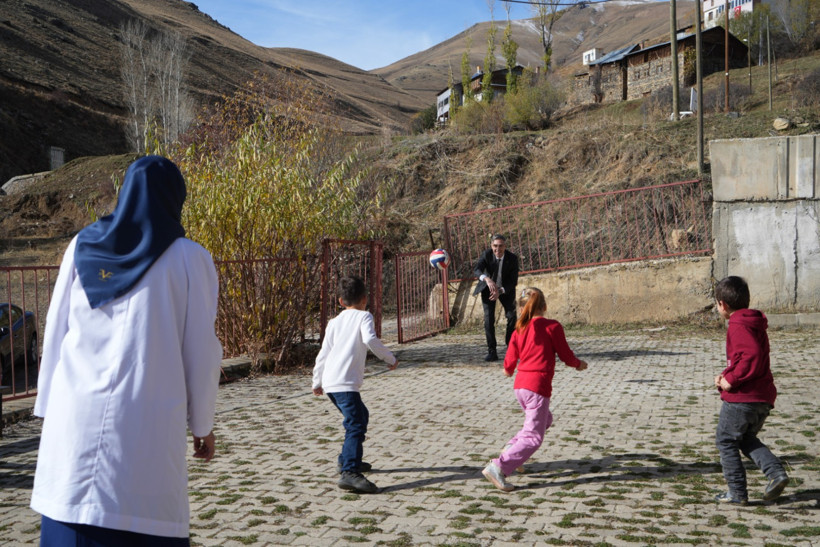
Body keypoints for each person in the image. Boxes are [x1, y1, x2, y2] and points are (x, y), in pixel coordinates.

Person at [30, 155, 223, 545]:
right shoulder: (189, 259)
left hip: (73, 423)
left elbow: (56, 328)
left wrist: (47, 406)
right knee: (142, 519)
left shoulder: (82, 246)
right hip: (144, 428)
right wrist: (202, 426)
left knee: (71, 519)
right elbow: (201, 352)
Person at [482, 287, 588, 492]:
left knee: (545, 419)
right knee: (534, 437)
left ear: (522, 309)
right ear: (545, 307)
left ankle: (513, 450)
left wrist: (508, 369)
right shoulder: (552, 327)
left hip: (521, 387)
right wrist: (578, 364)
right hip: (537, 388)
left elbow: (509, 360)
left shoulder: (519, 329)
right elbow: (566, 355)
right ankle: (499, 466)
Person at [312, 275, 398, 494]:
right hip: (345, 384)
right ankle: (349, 471)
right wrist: (390, 358)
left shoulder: (333, 322)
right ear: (364, 299)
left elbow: (324, 352)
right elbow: (370, 340)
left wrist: (317, 380)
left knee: (361, 415)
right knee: (355, 424)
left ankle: (347, 459)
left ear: (341, 301)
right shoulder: (363, 316)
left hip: (331, 383)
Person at [713, 275, 789, 505]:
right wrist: (725, 376)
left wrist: (732, 379)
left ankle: (737, 493)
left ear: (722, 304)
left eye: (717, 304)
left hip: (742, 398)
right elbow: (746, 357)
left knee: (725, 440)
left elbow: (751, 356)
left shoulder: (737, 324)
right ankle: (775, 474)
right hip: (761, 397)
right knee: (745, 438)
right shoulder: (752, 321)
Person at [473, 234, 519, 361]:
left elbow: (513, 281)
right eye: (495, 246)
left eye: (500, 246)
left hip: (505, 290)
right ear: (491, 246)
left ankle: (510, 347)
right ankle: (492, 351)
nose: (497, 249)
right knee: (489, 319)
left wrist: (501, 291)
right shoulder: (486, 254)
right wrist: (487, 279)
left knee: (512, 316)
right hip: (488, 289)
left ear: (505, 246)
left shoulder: (512, 258)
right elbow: (477, 270)